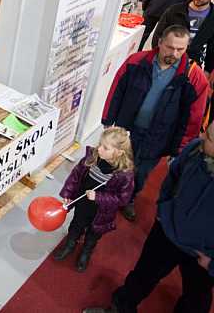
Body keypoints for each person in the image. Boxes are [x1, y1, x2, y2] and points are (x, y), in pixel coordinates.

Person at [83, 121, 214, 313]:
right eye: (206, 132)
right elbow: (172, 177)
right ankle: (120, 309)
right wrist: (163, 210)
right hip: (166, 232)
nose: (202, 137)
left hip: (203, 254)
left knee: (195, 299)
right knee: (141, 276)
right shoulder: (196, 149)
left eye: (209, 137)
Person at [102, 24, 208, 221]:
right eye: (170, 47)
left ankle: (128, 199)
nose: (174, 53)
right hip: (127, 130)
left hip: (159, 137)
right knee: (116, 164)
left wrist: (181, 148)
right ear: (160, 42)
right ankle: (107, 196)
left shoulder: (193, 77)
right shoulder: (137, 61)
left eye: (180, 49)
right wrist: (108, 121)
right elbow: (117, 91)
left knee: (141, 173)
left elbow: (194, 117)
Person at [54, 127, 134, 272]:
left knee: (94, 233)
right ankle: (70, 243)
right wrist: (68, 194)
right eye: (100, 144)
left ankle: (86, 251)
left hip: (102, 212)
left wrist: (99, 197)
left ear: (119, 152)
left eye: (105, 148)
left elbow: (123, 199)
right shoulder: (92, 157)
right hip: (83, 203)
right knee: (77, 224)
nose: (100, 149)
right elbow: (76, 176)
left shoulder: (124, 175)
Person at [151, 0, 214, 72]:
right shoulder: (174, 10)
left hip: (192, 65)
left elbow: (212, 47)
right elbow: (158, 36)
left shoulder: (212, 17)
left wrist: (207, 70)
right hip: (166, 60)